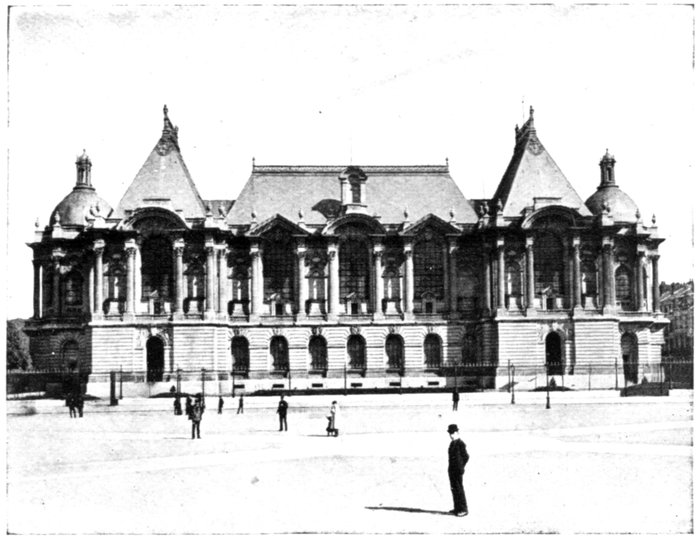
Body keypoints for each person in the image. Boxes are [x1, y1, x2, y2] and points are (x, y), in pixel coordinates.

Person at [447, 424, 469, 517]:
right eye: (450, 433)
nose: (451, 435)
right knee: (454, 489)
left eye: (453, 433)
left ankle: (463, 509)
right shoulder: (452, 443)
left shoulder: (460, 443)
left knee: (459, 489)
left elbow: (466, 456)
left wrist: (460, 466)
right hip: (452, 470)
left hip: (457, 470)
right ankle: (457, 508)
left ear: (457, 433)